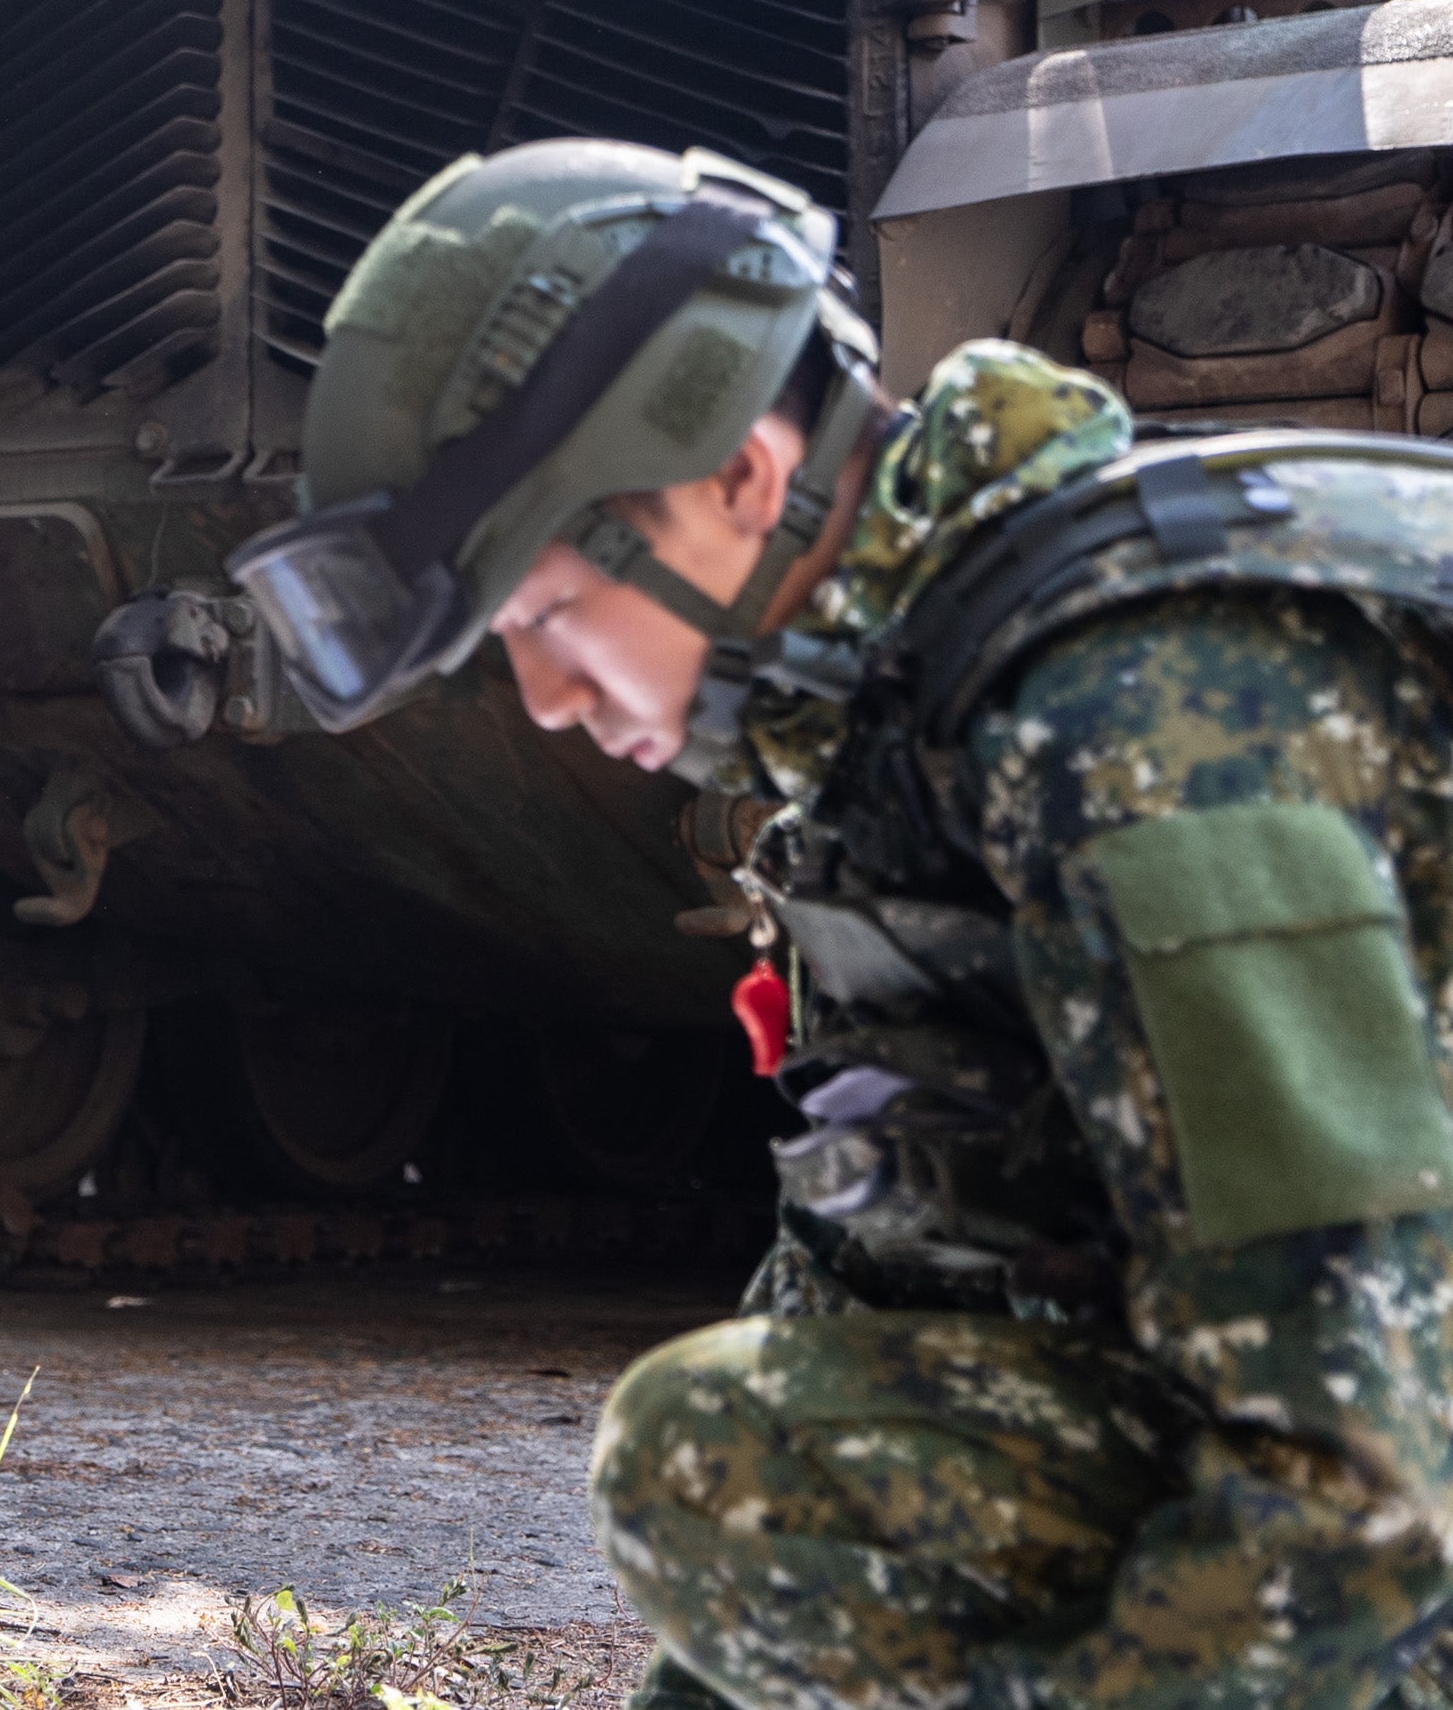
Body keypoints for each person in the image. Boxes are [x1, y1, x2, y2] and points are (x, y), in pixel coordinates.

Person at [228, 137, 1453, 1710]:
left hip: (1404, 1462)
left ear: (738, 472)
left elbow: (1368, 1480)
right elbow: (881, 1298)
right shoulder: (897, 749)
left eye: (543, 616)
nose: (543, 698)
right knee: (753, 1456)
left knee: (708, 1448)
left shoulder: (1132, 726)